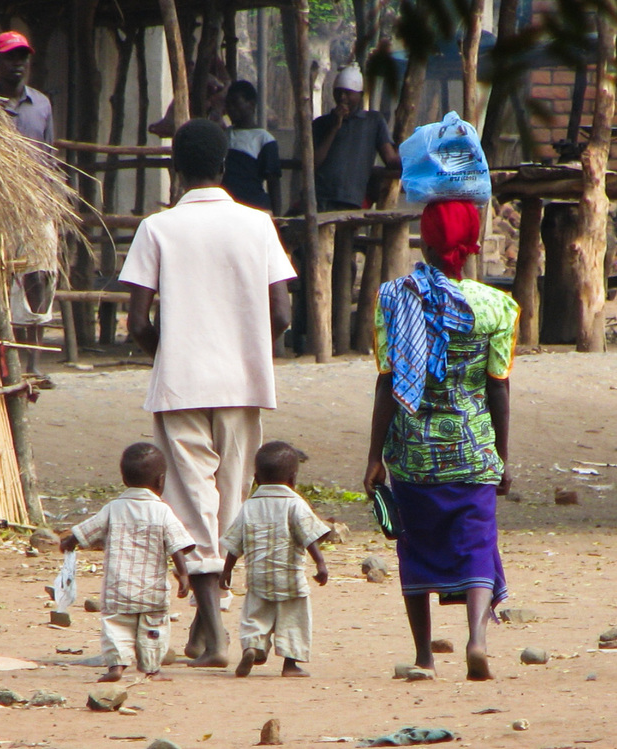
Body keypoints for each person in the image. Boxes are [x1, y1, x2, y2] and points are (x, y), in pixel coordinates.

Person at [119, 118, 296, 669]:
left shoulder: (158, 228)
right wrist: (249, 349)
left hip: (181, 382)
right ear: (226, 166)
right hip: (243, 381)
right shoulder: (258, 225)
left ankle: (212, 629)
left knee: (192, 498)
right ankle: (210, 622)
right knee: (232, 497)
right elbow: (283, 314)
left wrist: (169, 354)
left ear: (175, 169)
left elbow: (137, 321)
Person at [363, 199, 519, 682]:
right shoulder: (496, 306)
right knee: (476, 543)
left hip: (413, 454)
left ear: (424, 244)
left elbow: (388, 382)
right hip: (472, 450)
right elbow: (498, 384)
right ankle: (476, 638)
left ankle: (425, 656)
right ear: (472, 247)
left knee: (414, 546)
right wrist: (501, 455)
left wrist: (374, 457)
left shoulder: (394, 297)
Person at [59, 443, 195, 682]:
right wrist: (183, 574)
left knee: (116, 628)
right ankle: (152, 668)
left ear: (123, 478)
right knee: (154, 630)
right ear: (161, 480)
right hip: (152, 590)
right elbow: (176, 546)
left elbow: (86, 533)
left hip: (118, 587)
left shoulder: (114, 508)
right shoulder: (163, 512)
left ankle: (117, 666)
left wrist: (70, 542)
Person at [220, 441, 330, 678]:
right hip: (289, 577)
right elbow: (309, 536)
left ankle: (252, 646)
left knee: (254, 615)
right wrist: (320, 564)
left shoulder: (248, 506)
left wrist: (226, 571)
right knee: (293, 620)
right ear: (293, 479)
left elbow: (234, 543)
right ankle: (290, 665)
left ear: (257, 478)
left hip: (258, 577)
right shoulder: (295, 504)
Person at [0, 30, 57, 377]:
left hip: (37, 205)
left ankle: (33, 362)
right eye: (11, 57)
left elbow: (50, 156)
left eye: (23, 57)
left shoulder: (41, 104)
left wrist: (54, 200)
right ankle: (7, 356)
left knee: (38, 275)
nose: (18, 64)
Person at [312, 64, 401, 211]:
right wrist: (334, 128)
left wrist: (419, 163)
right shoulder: (321, 124)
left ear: (359, 95)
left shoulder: (373, 121)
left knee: (343, 233)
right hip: (320, 197)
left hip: (350, 199)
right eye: (338, 92)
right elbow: (314, 162)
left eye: (348, 93)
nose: (342, 98)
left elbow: (390, 158)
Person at [222, 80, 283, 216]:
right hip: (227, 208)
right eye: (228, 104)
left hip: (253, 208)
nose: (230, 109)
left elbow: (273, 183)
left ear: (251, 105)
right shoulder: (224, 136)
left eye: (236, 104)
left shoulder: (264, 139)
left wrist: (277, 218)